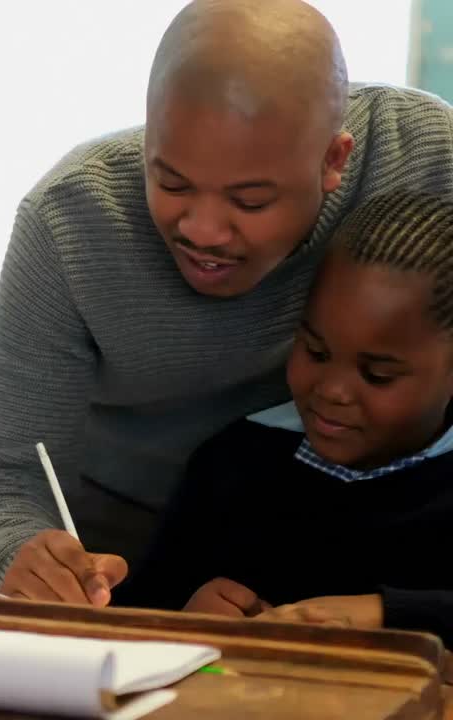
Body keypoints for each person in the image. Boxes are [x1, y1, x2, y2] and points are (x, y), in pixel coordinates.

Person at [0, 0, 453, 601]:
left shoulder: (425, 158)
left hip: (354, 512)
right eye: (172, 182)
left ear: (333, 162)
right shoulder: (69, 220)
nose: (205, 230)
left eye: (251, 200)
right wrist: (20, 552)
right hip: (117, 536)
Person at [116, 192, 453, 646]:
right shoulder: (234, 464)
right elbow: (136, 618)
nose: (331, 391)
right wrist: (188, 621)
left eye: (377, 375)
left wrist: (380, 612)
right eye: (315, 351)